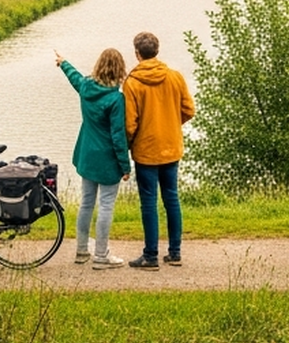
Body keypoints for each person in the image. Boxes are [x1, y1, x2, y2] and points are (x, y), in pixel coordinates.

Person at [122, 30, 194, 269]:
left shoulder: (132, 83)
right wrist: (172, 124)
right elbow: (189, 110)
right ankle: (175, 253)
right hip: (171, 147)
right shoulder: (175, 77)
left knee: (149, 203)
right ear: (157, 51)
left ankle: (151, 255)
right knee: (172, 199)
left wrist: (130, 143)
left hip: (146, 150)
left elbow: (130, 123)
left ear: (137, 53)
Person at [55, 47, 132, 268]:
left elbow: (75, 78)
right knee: (106, 205)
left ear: (99, 65)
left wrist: (64, 62)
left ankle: (81, 250)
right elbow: (118, 136)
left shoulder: (86, 87)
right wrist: (125, 166)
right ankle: (101, 256)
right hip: (107, 159)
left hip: (87, 155)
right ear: (119, 69)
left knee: (86, 203)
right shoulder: (116, 99)